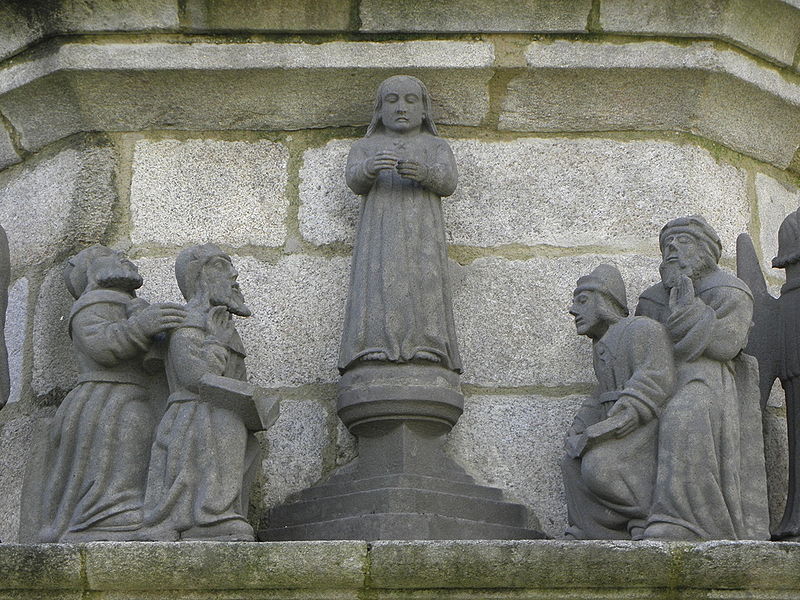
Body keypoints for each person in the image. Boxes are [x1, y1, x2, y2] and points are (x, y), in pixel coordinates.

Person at [39, 246, 186, 542]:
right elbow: (102, 346)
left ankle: (122, 506)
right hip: (105, 398)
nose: (121, 257)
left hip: (131, 395)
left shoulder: (129, 304)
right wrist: (141, 326)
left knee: (135, 440)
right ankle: (104, 512)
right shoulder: (91, 305)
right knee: (117, 443)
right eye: (108, 254)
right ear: (89, 271)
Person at [636, 215, 769, 540]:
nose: (671, 250)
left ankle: (690, 522)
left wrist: (686, 306)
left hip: (708, 382)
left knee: (683, 416)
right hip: (655, 385)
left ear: (705, 250)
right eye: (667, 244)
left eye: (682, 242)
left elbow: (726, 343)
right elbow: (640, 345)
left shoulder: (730, 290)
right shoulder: (652, 299)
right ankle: (634, 517)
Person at [338, 75, 461, 373]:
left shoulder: (435, 145)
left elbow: (449, 182)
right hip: (379, 232)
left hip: (422, 231)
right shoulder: (366, 146)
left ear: (424, 110)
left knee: (426, 281)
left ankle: (429, 344)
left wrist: (425, 173)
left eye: (410, 100)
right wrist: (369, 168)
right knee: (376, 282)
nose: (401, 108)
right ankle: (372, 345)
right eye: (391, 101)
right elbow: (353, 180)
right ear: (379, 110)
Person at [143, 244, 260, 541]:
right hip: (193, 418)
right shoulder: (189, 324)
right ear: (200, 277)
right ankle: (207, 515)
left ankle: (219, 511)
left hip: (216, 412)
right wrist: (216, 344)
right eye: (221, 266)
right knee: (224, 424)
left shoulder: (220, 325)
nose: (234, 274)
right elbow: (195, 377)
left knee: (242, 436)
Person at [562, 264, 675, 539]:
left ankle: (647, 516)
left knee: (598, 466)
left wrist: (628, 412)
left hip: (643, 427)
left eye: (582, 300)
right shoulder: (601, 346)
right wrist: (581, 424)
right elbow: (600, 393)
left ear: (604, 300)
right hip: (617, 425)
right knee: (571, 464)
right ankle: (594, 529)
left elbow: (657, 375)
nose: (573, 310)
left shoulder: (642, 329)